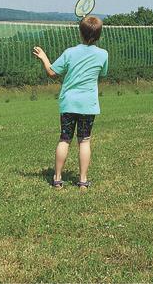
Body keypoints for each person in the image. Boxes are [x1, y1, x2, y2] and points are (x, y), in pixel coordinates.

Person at [32, 16, 108, 190]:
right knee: (84, 141)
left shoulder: (69, 52)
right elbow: (102, 73)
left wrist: (44, 57)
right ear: (99, 35)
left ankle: (57, 179)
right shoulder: (103, 54)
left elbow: (52, 72)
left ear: (80, 33)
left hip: (69, 103)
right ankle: (82, 181)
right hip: (88, 105)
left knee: (65, 139)